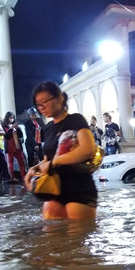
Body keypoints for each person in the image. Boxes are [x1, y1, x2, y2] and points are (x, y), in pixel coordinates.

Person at [24, 81, 98, 220]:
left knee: (77, 237)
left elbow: (87, 149)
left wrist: (53, 164)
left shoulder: (75, 120)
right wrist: (33, 169)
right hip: (54, 189)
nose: (42, 107)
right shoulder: (48, 127)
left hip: (79, 188)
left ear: (60, 97)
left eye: (45, 101)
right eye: (38, 104)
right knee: (53, 237)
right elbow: (47, 159)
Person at [2, 111, 26, 182]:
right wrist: (11, 128)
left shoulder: (17, 127)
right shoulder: (4, 126)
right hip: (10, 147)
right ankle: (12, 177)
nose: (11, 119)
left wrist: (17, 129)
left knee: (22, 161)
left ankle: (23, 175)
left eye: (13, 118)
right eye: (10, 118)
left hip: (17, 146)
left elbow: (21, 136)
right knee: (10, 162)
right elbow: (6, 136)